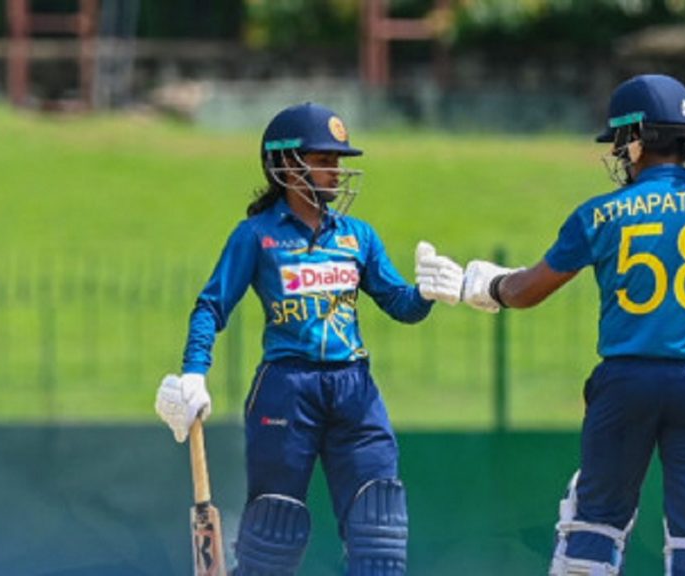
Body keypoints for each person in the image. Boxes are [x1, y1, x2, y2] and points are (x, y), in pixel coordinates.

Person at [452, 74, 685, 575]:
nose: (617, 152)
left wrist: (485, 285)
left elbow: (526, 291)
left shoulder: (600, 214)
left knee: (594, 523)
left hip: (626, 383)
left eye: (620, 140)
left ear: (637, 139)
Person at [154, 102, 463, 576]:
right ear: (286, 165)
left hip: (355, 391)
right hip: (286, 390)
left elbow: (400, 305)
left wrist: (427, 293)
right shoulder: (256, 236)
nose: (336, 171)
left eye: (337, 160)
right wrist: (194, 372)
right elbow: (211, 306)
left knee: (379, 530)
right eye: (323, 160)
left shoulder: (358, 236)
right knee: (273, 536)